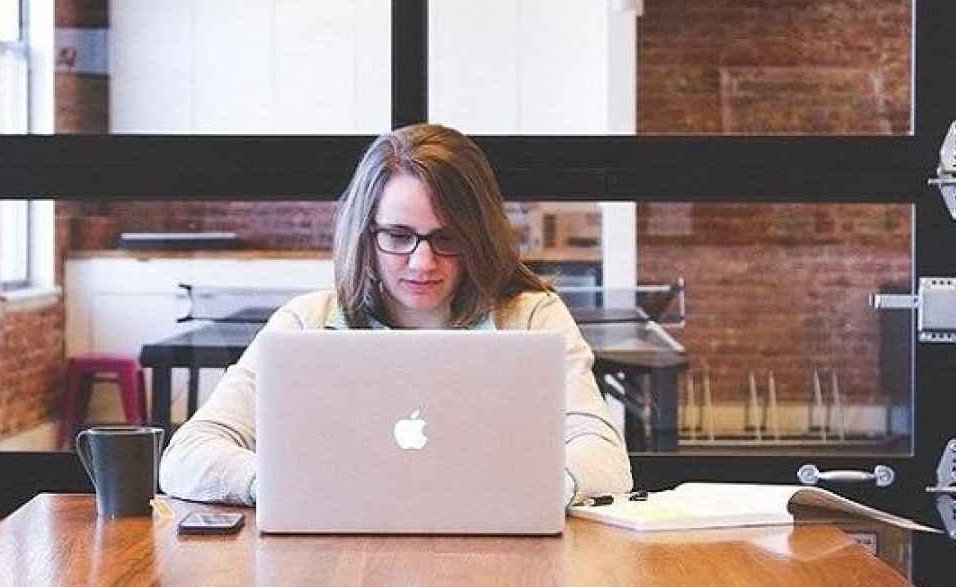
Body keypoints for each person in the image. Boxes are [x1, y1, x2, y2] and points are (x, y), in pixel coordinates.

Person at [158, 123, 634, 506]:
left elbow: (606, 458)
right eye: (399, 236)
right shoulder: (306, 323)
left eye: (447, 239)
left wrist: (526, 492)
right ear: (366, 234)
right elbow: (188, 455)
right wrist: (282, 485)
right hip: (334, 565)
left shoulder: (531, 319)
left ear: (478, 236)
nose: (422, 262)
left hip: (496, 560)